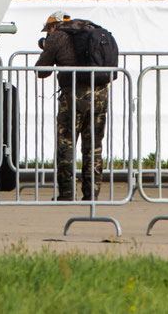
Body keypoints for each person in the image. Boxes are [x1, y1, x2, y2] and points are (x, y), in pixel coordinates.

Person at [35, 12, 114, 202]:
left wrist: (48, 48)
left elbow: (42, 70)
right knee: (93, 146)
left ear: (55, 26)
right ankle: (92, 194)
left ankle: (67, 193)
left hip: (74, 95)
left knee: (66, 144)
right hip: (100, 93)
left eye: (49, 29)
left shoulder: (58, 36)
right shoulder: (92, 30)